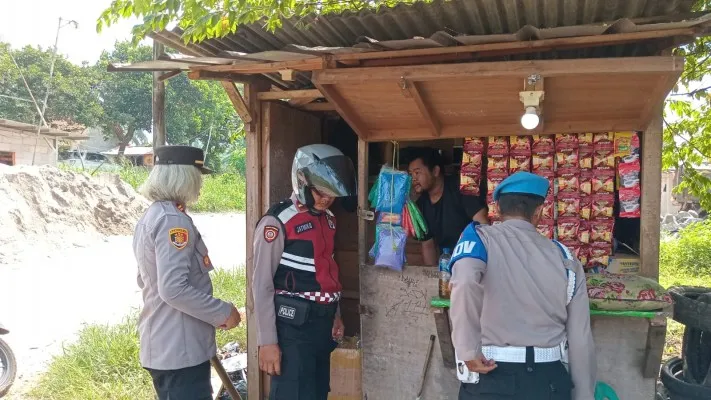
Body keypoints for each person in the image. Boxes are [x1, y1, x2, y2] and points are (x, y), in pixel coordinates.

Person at [449, 171, 596, 400]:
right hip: (549, 382)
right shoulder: (565, 257)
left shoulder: (479, 239)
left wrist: (467, 349)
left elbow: (465, 280)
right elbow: (581, 337)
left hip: (492, 376)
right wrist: (584, 394)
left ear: (497, 208)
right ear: (538, 212)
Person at [133, 145, 241, 400]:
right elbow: (173, 288)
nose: (200, 183)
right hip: (178, 351)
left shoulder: (154, 215)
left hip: (169, 344)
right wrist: (223, 312)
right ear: (185, 176)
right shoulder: (173, 221)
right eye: (198, 175)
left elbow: (145, 279)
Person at [252, 144, 357, 400]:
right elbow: (261, 284)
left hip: (321, 325)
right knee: (293, 393)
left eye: (332, 194)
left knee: (317, 392)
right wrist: (266, 341)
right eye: (320, 192)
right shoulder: (277, 222)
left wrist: (336, 314)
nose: (326, 199)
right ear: (301, 182)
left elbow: (328, 271)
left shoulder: (329, 220)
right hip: (292, 329)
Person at [407, 147, 488, 265]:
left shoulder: (461, 189)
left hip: (473, 261)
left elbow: (483, 223)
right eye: (411, 174)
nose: (413, 179)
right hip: (446, 264)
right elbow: (428, 245)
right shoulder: (421, 206)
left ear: (435, 171)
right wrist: (431, 277)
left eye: (417, 172)